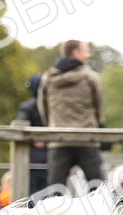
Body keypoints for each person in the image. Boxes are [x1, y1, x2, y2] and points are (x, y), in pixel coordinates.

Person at [38, 40, 105, 192]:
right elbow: (99, 107)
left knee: (55, 192)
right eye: (86, 51)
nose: (88, 55)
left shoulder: (48, 79)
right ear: (76, 53)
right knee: (98, 190)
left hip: (59, 140)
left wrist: (53, 126)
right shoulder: (90, 77)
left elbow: (43, 108)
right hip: (87, 139)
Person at [14, 74, 49, 197]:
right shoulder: (51, 106)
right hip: (46, 156)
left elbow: (19, 126)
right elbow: (20, 126)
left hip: (35, 157)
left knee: (32, 195)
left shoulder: (27, 107)